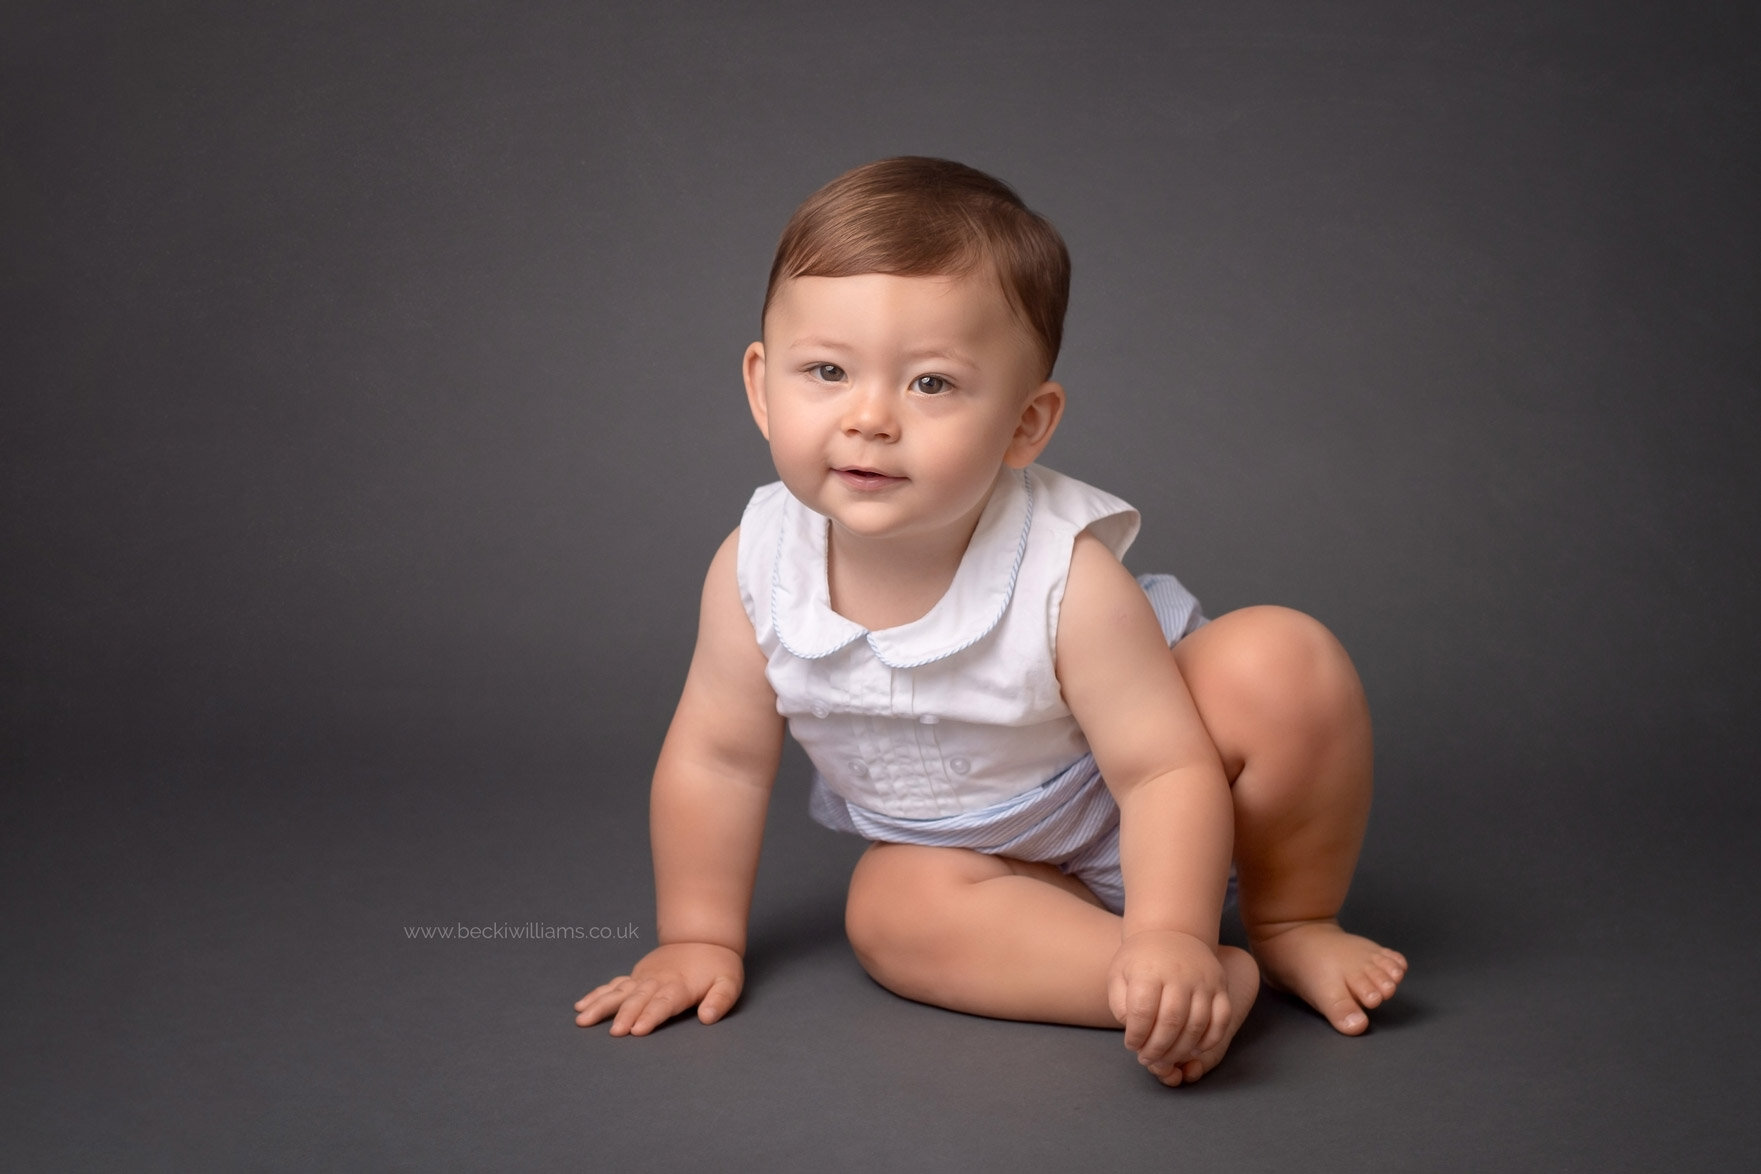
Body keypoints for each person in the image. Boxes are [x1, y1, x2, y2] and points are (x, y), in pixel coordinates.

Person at [575, 157, 1406, 1085]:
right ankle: (1170, 988)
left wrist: (1169, 925)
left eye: (930, 384)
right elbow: (716, 759)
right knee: (890, 912)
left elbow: (1164, 768)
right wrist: (696, 937)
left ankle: (1289, 924)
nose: (869, 418)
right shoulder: (755, 566)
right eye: (826, 371)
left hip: (1157, 814)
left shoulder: (1064, 574)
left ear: (1024, 423)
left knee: (1280, 659)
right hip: (980, 861)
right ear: (763, 386)